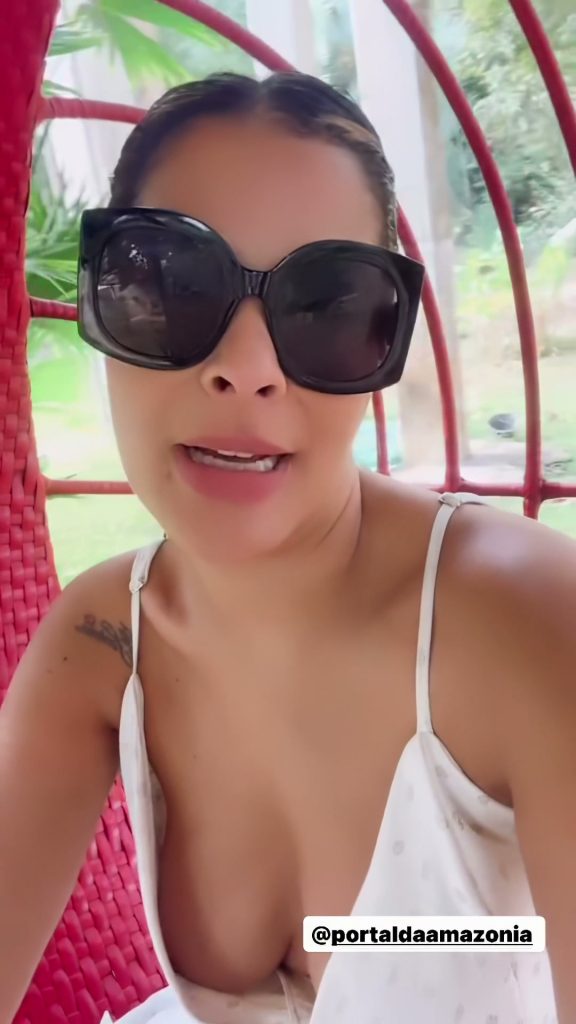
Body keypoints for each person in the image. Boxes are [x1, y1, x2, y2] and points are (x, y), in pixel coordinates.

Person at [1, 71, 575, 1024]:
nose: (247, 369)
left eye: (328, 306)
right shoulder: (100, 647)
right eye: (171, 284)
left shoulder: (529, 624)